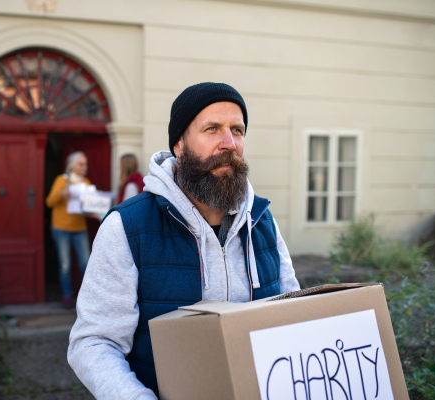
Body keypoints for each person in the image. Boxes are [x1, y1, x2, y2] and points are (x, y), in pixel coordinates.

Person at [68, 82, 300, 399]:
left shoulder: (263, 222)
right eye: (212, 129)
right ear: (179, 144)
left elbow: (296, 321)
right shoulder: (128, 227)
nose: (229, 143)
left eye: (238, 130)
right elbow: (94, 343)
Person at [45, 151, 92, 309]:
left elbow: (88, 207)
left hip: (80, 228)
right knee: (65, 265)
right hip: (61, 229)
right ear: (72, 165)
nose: (84, 167)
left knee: (86, 263)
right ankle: (67, 295)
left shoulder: (86, 182)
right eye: (81, 164)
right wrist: (60, 194)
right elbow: (49, 202)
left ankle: (87, 298)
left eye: (85, 164)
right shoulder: (61, 180)